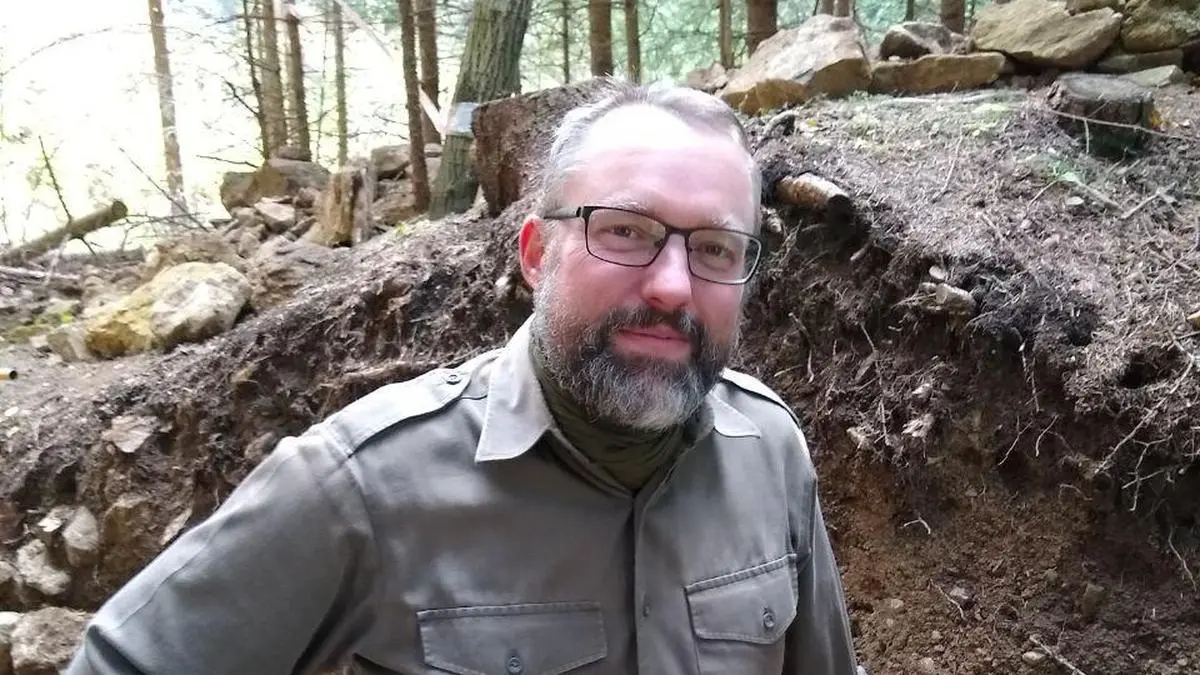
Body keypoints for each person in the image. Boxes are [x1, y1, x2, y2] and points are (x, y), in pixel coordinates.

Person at [66, 78, 857, 675]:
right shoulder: (363, 486)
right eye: (626, 231)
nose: (674, 286)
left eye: (715, 248)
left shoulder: (770, 453)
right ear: (536, 254)